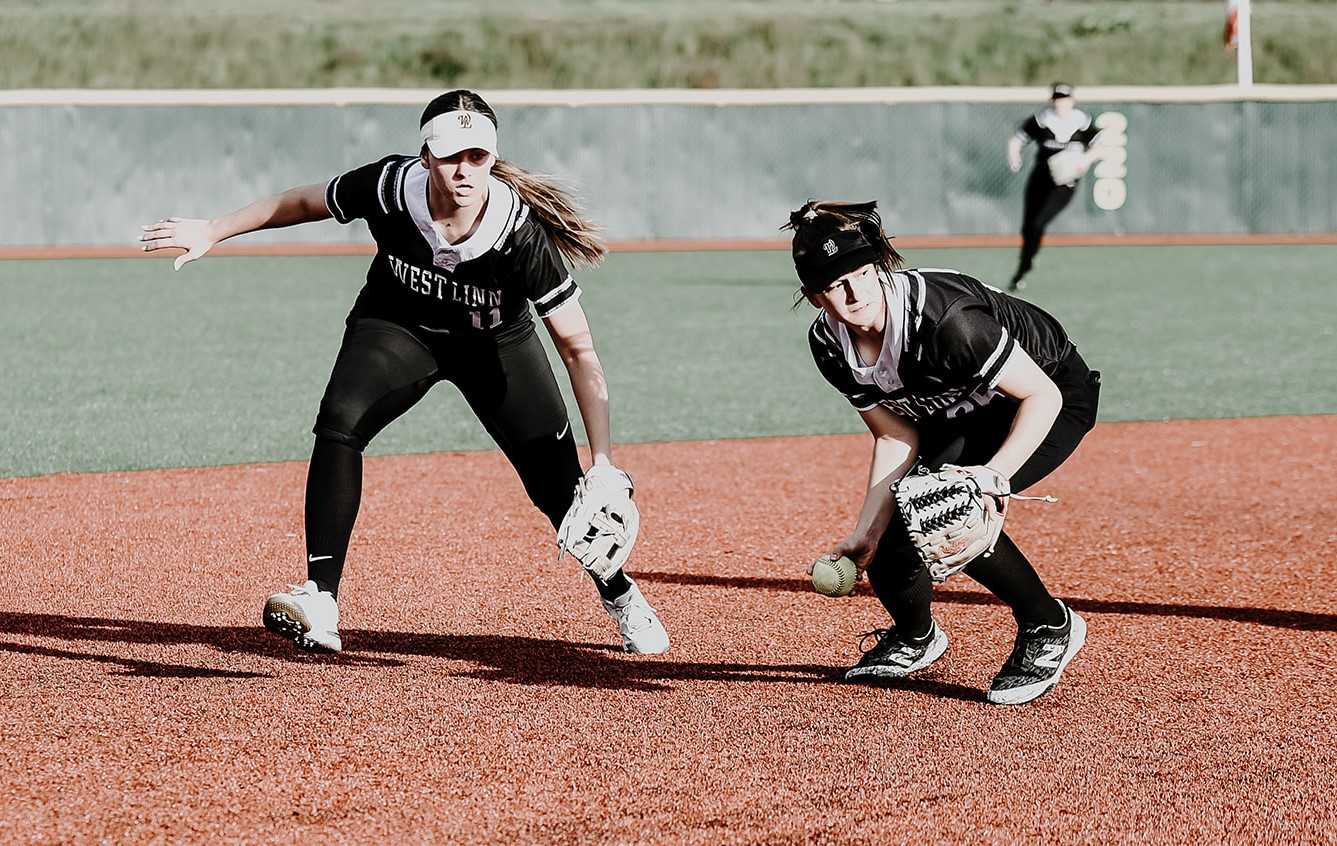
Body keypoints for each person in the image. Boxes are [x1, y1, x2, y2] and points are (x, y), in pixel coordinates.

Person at [139, 89, 670, 655]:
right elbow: (301, 202)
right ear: (425, 155)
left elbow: (579, 351)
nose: (463, 170)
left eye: (477, 156)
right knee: (339, 422)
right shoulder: (391, 187)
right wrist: (214, 230)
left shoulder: (518, 235)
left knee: (562, 492)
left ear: (493, 157)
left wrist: (606, 461)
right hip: (400, 327)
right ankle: (321, 597)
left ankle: (620, 595)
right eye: (449, 155)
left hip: (496, 347)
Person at [786, 200, 1101, 705]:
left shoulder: (945, 320)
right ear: (816, 296)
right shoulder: (829, 343)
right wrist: (864, 532)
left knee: (949, 508)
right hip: (961, 408)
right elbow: (895, 437)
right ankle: (916, 637)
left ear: (878, 267)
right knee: (897, 522)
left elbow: (1043, 396)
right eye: (835, 284)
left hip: (1047, 395)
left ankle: (1049, 624)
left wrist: (991, 477)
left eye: (862, 273)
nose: (854, 291)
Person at [1005, 82, 1101, 292]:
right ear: (1052, 100)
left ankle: (1024, 266)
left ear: (1072, 100)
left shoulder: (1082, 122)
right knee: (1028, 227)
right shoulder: (1042, 120)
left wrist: (1085, 160)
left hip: (1064, 184)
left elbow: (1099, 146)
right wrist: (1014, 155)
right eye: (1057, 98)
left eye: (1065, 98)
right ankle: (1025, 264)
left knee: (1039, 224)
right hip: (1040, 178)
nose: (1061, 102)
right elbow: (1017, 140)